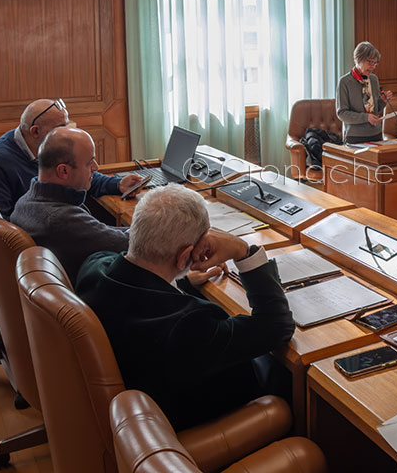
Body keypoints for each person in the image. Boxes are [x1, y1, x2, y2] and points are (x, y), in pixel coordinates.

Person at [75, 184, 294, 432]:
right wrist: (242, 250)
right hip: (181, 420)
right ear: (185, 257)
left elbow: (141, 293)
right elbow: (276, 326)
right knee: (282, 370)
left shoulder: (94, 266)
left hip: (133, 399)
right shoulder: (189, 325)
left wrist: (182, 281)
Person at [0, 98, 142, 250]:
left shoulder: (41, 159)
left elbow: (74, 173)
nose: (67, 133)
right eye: (61, 128)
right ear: (35, 131)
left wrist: (116, 184)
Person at [10, 127, 133, 283]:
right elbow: (128, 244)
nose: (96, 167)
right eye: (90, 163)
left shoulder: (26, 201)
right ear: (64, 171)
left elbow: (102, 233)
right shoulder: (59, 219)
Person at [336, 41, 391, 143]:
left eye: (375, 63)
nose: (373, 67)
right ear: (357, 59)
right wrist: (366, 118)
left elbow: (375, 110)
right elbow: (342, 113)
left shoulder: (373, 79)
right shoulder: (345, 82)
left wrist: (382, 101)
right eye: (370, 62)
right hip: (355, 137)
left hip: (376, 134)